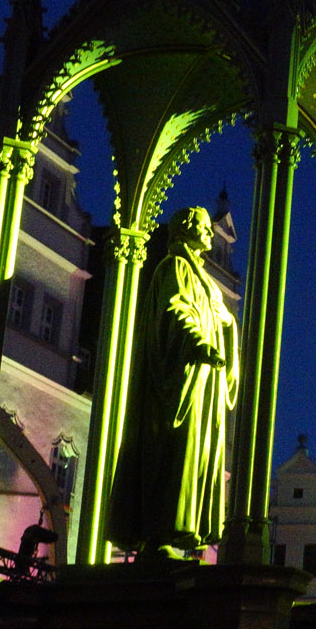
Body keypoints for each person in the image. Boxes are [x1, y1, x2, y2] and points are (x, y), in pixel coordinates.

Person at [108, 206, 241, 559]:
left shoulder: (204, 279)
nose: (210, 233)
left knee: (193, 456)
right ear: (184, 230)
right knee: (174, 453)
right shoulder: (175, 268)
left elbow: (223, 318)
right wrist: (199, 342)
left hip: (201, 384)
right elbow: (174, 310)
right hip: (179, 382)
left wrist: (226, 329)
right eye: (203, 226)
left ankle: (181, 530)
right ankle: (160, 532)